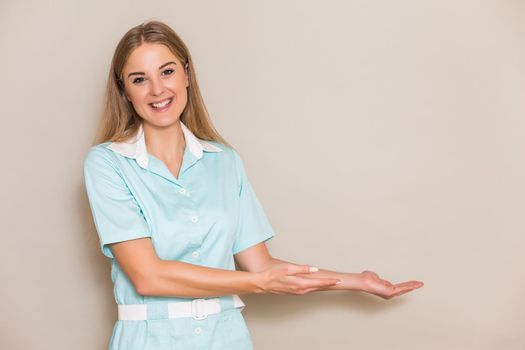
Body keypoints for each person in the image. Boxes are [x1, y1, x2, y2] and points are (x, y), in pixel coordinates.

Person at [82, 20, 424, 350]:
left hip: (227, 337)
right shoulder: (107, 163)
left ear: (187, 73)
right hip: (149, 341)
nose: (157, 90)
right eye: (139, 79)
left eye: (167, 71)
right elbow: (148, 277)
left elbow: (262, 265)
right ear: (124, 90)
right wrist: (258, 285)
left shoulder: (225, 161)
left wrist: (355, 280)